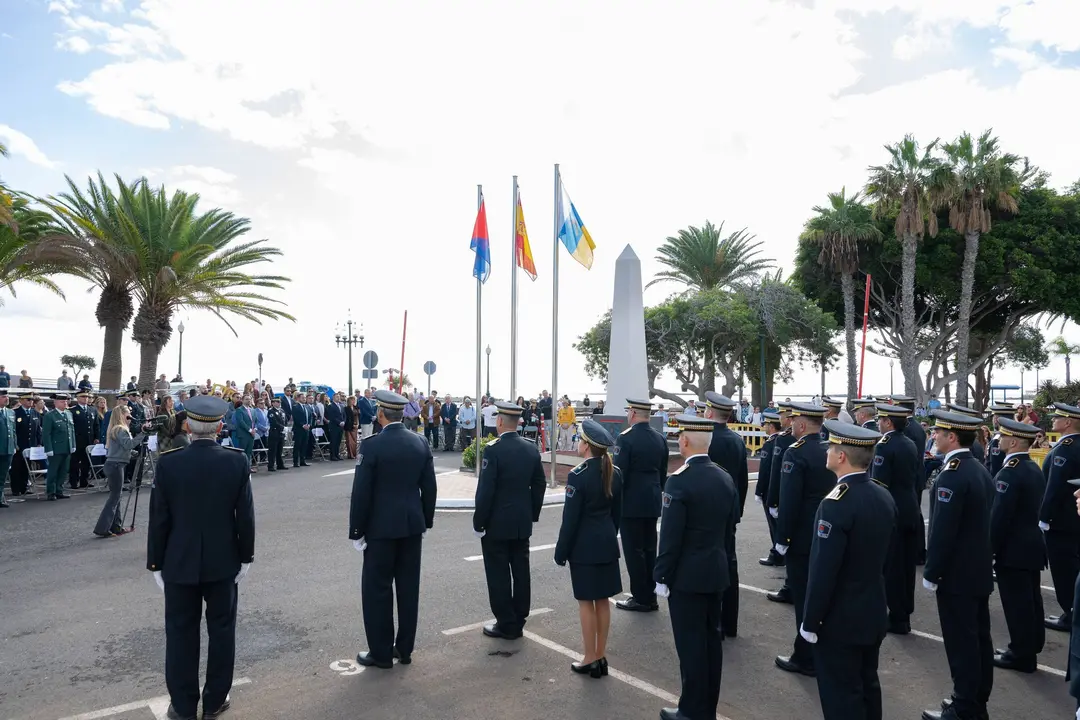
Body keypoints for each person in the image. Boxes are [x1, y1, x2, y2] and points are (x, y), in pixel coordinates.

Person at [147, 396, 255, 720]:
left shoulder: (168, 462)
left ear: (188, 427)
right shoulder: (236, 461)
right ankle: (214, 701)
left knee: (180, 633)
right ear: (221, 427)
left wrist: (156, 563)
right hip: (224, 562)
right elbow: (245, 516)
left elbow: (159, 519)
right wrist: (246, 556)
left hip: (178, 562)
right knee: (222, 632)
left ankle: (182, 706)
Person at [801, 420, 897, 720]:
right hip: (872, 609)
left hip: (840, 618)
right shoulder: (882, 494)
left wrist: (811, 620)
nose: (827, 451)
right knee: (868, 686)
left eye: (831, 447)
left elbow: (823, 571)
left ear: (841, 456)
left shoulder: (835, 504)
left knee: (841, 695)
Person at [653, 415, 739, 720]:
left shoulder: (679, 480)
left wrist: (661, 575)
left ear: (685, 442)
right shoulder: (724, 477)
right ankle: (707, 710)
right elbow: (729, 530)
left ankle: (691, 711)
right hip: (716, 572)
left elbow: (671, 538)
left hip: (687, 579)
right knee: (710, 645)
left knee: (691, 649)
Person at [350, 390, 438, 669]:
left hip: (380, 528)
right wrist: (425, 520)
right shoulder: (420, 442)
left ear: (380, 414)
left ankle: (381, 653)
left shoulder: (372, 445)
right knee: (408, 588)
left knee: (378, 589)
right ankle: (405, 649)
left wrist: (357, 530)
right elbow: (430, 488)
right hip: (412, 526)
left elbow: (361, 492)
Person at [922, 410, 994, 720]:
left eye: (938, 433)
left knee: (962, 642)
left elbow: (943, 531)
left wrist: (932, 571)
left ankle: (964, 708)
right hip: (976, 570)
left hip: (956, 575)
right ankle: (974, 701)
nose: (934, 437)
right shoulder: (977, 468)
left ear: (952, 437)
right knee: (979, 640)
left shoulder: (953, 473)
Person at [553, 419, 623, 679]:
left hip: (584, 548)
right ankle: (600, 655)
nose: (578, 443)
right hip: (606, 544)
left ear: (586, 446)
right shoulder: (615, 473)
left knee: (586, 602)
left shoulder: (577, 476)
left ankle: (589, 657)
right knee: (603, 601)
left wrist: (561, 552)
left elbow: (570, 521)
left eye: (580, 440)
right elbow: (617, 515)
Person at [473, 401, 546, 639]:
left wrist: (479, 522)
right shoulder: (530, 448)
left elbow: (486, 490)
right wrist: (532, 513)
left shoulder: (493, 449)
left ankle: (506, 622)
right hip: (521, 521)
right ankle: (519, 618)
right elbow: (539, 484)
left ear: (501, 421)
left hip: (497, 523)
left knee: (498, 574)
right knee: (521, 571)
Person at [774, 402, 835, 677]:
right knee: (824, 594)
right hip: (829, 529)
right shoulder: (830, 449)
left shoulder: (795, 452)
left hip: (802, 535)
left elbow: (789, 501)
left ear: (800, 424)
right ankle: (821, 651)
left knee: (804, 598)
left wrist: (782, 537)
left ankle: (805, 655)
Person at [989, 417, 1046, 674]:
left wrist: (989, 549)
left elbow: (1000, 517)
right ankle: (1029, 646)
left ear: (1013, 442)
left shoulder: (1009, 471)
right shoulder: (1032, 467)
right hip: (1031, 544)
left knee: (1018, 604)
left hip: (1014, 550)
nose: (999, 440)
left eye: (1002, 437)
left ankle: (1021, 654)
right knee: (1031, 600)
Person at [870, 403, 923, 636]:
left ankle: (897, 616)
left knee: (891, 567)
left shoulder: (885, 445)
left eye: (881, 419)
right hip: (910, 506)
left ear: (888, 423)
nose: (878, 423)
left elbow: (879, 484)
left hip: (893, 510)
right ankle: (903, 614)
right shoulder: (909, 442)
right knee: (905, 566)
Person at [614, 399, 670, 613]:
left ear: (634, 413)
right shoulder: (659, 438)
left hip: (631, 503)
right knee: (649, 549)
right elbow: (663, 471)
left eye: (629, 411)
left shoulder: (625, 438)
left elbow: (619, 474)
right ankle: (650, 595)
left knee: (634, 551)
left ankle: (641, 597)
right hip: (653, 499)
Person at [704, 392, 748, 637]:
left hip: (708, 512)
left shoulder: (708, 440)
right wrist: (737, 511)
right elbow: (742, 481)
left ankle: (714, 622)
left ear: (710, 412)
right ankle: (729, 622)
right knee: (730, 563)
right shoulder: (737, 440)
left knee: (712, 566)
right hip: (730, 511)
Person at [1040, 402, 1080, 634]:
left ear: (1067, 423)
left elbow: (1053, 488)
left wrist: (1044, 517)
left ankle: (1071, 613)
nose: (1053, 420)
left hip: (1061, 521)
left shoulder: (1065, 448)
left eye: (1057, 418)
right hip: (1073, 516)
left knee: (1064, 570)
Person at [95, 405, 148, 537]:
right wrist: (143, 434)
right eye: (128, 414)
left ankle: (116, 526)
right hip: (116, 465)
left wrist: (135, 453)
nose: (130, 416)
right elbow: (128, 444)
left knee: (116, 497)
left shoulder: (117, 429)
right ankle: (103, 527)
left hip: (114, 464)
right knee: (114, 498)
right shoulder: (120, 429)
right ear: (122, 415)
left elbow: (124, 448)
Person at [765, 402, 795, 603]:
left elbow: (777, 474)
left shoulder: (788, 444)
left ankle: (791, 588)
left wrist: (772, 499)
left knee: (792, 546)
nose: (781, 419)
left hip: (791, 503)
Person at [755, 409, 783, 566]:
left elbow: (764, 470)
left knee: (775, 526)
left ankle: (777, 554)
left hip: (770, 490)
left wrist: (759, 491)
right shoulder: (785, 440)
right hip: (781, 489)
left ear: (772, 426)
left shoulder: (770, 443)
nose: (764, 426)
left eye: (766, 424)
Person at [42, 392, 76, 501]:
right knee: (53, 471)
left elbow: (72, 431)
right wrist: (48, 448)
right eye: (62, 401)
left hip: (67, 447)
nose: (65, 403)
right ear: (55, 403)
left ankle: (59, 490)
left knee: (63, 471)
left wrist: (73, 444)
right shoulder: (49, 415)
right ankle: (51, 492)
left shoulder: (68, 414)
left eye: (66, 401)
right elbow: (46, 434)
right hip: (55, 448)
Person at [985, 403, 1014, 477]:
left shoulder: (997, 440)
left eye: (994, 417)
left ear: (996, 420)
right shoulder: (1009, 437)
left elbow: (995, 466)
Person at [0, 389, 14, 508]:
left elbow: (12, 431)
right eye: (4, 396)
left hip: (8, 448)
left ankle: (0, 498)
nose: (7, 398)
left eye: (7, 396)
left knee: (3, 475)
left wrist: (14, 445)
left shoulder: (10, 412)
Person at [291, 392, 312, 468]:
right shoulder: (295, 406)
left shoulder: (307, 407)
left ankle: (303, 460)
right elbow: (296, 418)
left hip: (306, 429)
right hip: (299, 429)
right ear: (298, 398)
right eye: (302, 398)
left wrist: (309, 424)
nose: (304, 399)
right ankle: (296, 462)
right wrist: (303, 425)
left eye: (304, 398)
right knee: (297, 445)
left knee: (304, 445)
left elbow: (310, 416)